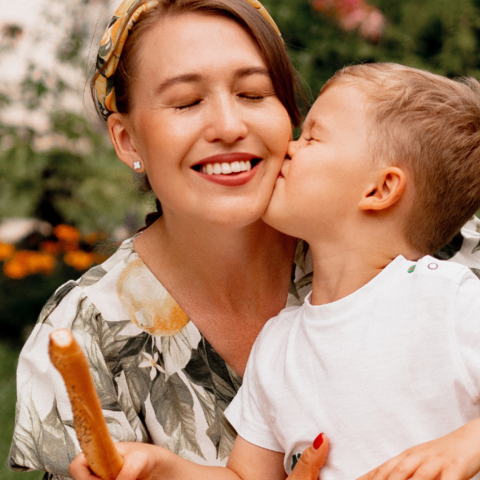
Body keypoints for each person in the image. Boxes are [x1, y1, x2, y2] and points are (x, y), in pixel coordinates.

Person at [69, 62, 480, 480]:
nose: (289, 147)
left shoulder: (451, 302)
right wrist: (162, 469)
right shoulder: (279, 345)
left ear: (379, 189)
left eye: (313, 137)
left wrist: (466, 445)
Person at [8, 1, 327, 479]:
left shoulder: (400, 247)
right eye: (186, 102)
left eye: (254, 93)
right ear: (127, 141)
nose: (229, 127)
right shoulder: (86, 334)